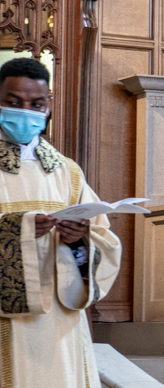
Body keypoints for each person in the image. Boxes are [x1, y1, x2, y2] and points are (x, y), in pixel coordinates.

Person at [0, 58, 121, 387]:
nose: (26, 111)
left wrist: (78, 241)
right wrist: (18, 230)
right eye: (13, 103)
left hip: (59, 323)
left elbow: (104, 241)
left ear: (48, 106)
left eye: (36, 104)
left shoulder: (67, 172)